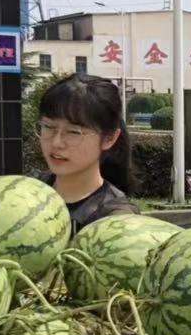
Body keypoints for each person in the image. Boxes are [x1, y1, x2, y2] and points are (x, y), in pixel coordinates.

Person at [37, 74, 135, 232]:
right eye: (48, 127)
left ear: (109, 139)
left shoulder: (117, 221)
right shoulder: (25, 191)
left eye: (73, 132)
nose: (56, 142)